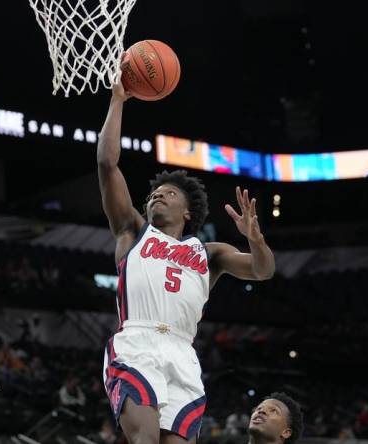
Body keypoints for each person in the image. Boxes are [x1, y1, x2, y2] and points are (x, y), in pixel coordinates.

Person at [98, 81, 276, 444]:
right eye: (153, 194)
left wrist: (256, 241)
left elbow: (263, 270)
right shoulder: (132, 231)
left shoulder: (210, 253)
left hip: (182, 353)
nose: (158, 194)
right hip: (138, 342)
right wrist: (117, 100)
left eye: (169, 192)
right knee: (144, 438)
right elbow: (106, 163)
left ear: (188, 210)